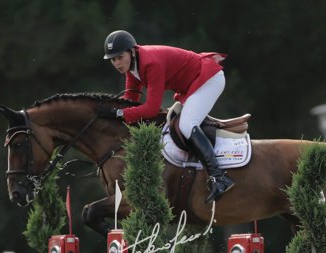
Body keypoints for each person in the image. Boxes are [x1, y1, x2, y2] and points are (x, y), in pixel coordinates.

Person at [98, 29, 235, 204]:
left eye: (119, 57)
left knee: (187, 125)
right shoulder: (132, 67)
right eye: (113, 59)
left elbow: (151, 109)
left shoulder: (150, 63)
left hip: (208, 79)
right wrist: (111, 112)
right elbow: (130, 100)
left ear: (131, 51)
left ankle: (219, 177)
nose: (117, 63)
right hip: (192, 85)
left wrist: (118, 113)